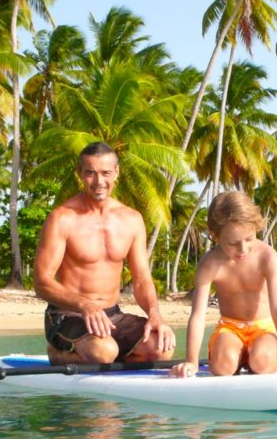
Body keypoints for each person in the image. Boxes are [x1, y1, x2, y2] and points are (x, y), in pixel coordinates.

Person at [34, 141, 176, 365]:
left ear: (116, 172)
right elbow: (42, 282)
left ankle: (106, 356)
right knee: (104, 352)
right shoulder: (62, 218)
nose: (99, 182)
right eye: (90, 173)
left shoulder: (131, 219)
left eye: (106, 173)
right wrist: (84, 305)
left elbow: (141, 279)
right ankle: (59, 354)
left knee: (160, 348)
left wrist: (155, 314)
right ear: (80, 173)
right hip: (67, 314)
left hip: (112, 314)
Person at [171, 191, 277, 378]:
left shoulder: (267, 257)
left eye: (249, 239)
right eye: (233, 243)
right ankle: (236, 359)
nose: (243, 249)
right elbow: (198, 315)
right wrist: (192, 361)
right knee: (223, 366)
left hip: (264, 328)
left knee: (262, 361)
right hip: (229, 328)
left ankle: (254, 360)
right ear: (215, 236)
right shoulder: (210, 264)